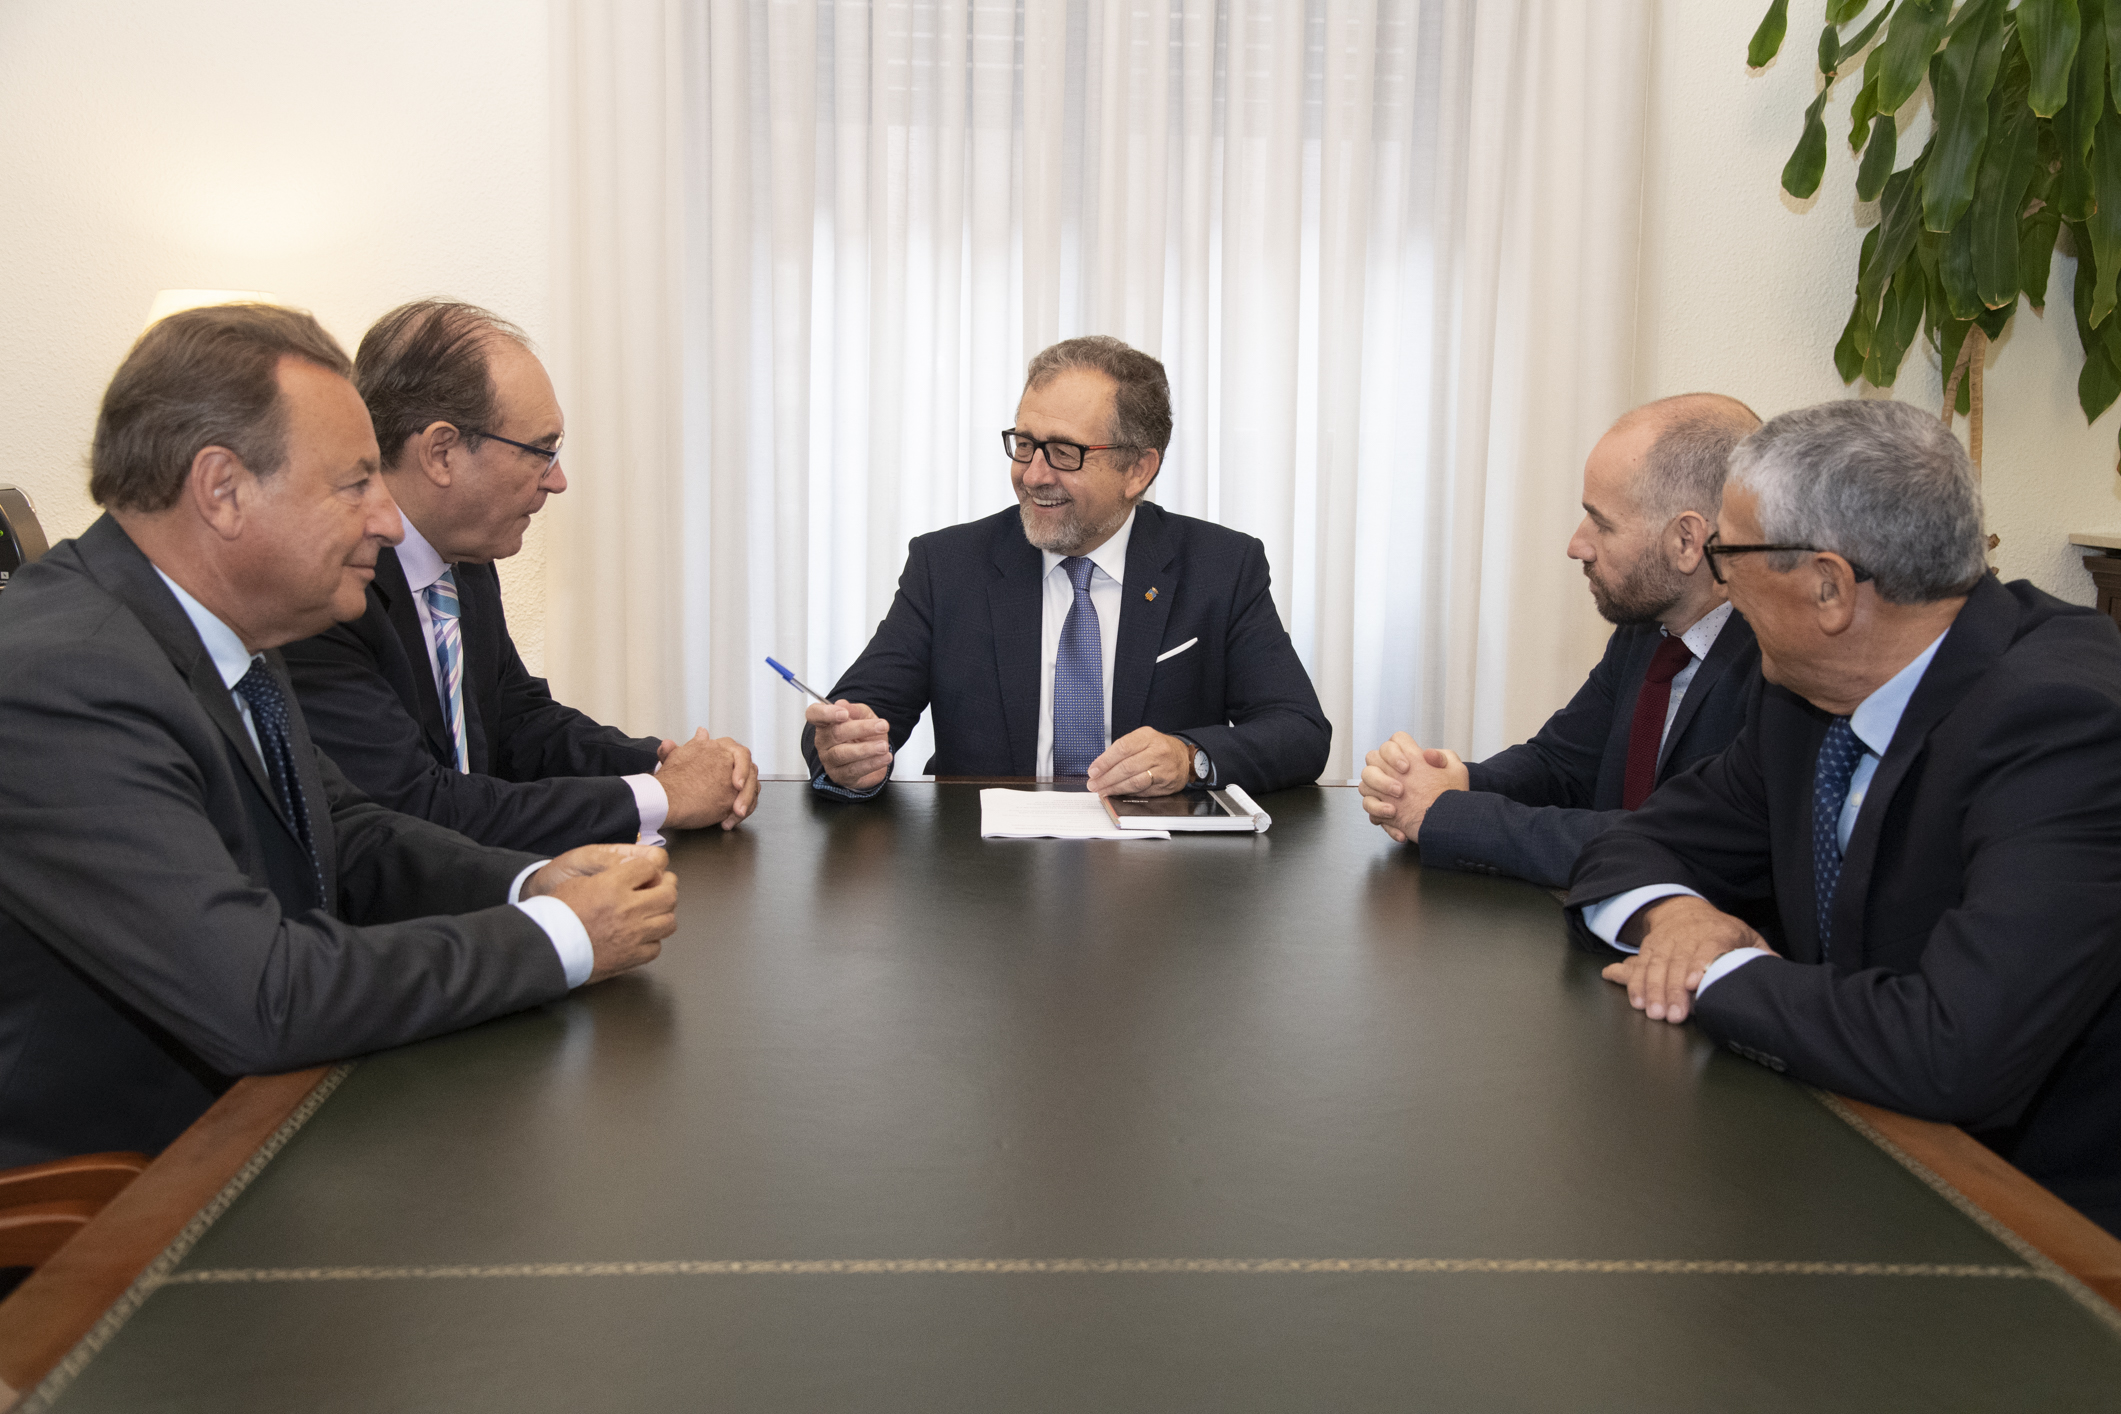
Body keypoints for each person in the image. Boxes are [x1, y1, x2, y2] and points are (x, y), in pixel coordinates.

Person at [0, 304, 679, 1169]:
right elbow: (262, 996)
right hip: (114, 1209)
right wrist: (561, 935)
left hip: (260, 1131)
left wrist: (532, 879)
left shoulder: (223, 626)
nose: (390, 521)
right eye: (355, 482)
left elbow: (347, 838)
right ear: (222, 490)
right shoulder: (63, 678)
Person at [1569, 399, 2121, 1236]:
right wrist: (1675, 914)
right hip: (1854, 1153)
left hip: (2041, 1237)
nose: (1715, 575)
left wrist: (1708, 974)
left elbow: (1950, 1051)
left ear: (1827, 587)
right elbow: (1635, 838)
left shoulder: (2065, 724)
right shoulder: (1802, 691)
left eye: (1729, 551)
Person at [281, 300, 757, 856]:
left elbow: (517, 723)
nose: (557, 480)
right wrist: (659, 797)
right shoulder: (325, 592)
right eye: (542, 451)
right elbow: (414, 806)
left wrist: (664, 762)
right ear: (441, 452)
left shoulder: (468, 560)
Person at [802, 335, 1330, 797]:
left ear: (1138, 470)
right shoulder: (948, 567)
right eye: (1025, 444)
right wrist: (843, 750)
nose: (1032, 476)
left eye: (1063, 453)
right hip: (980, 874)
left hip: (1160, 878)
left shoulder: (1221, 567)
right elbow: (851, 716)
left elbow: (1299, 731)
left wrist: (1189, 757)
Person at [1357, 395, 1763, 888]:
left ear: (1686, 541)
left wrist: (1443, 814)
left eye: (1602, 522)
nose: (1578, 545)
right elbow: (1562, 764)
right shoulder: (1647, 629)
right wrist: (1453, 781)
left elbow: (1671, 844)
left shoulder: (1778, 665)